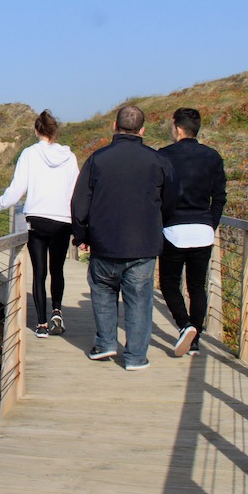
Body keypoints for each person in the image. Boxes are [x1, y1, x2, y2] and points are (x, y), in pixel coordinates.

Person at [71, 105, 177, 370]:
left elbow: (79, 201)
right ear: (142, 130)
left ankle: (106, 343)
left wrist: (81, 234)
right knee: (139, 300)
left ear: (114, 126)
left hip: (104, 242)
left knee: (103, 292)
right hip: (143, 244)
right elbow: (171, 200)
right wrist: (155, 221)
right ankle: (135, 357)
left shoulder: (97, 159)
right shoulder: (158, 161)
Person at [0, 109, 79, 339]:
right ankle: (57, 310)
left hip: (38, 219)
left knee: (39, 272)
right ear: (55, 132)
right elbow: (76, 191)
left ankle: (42, 324)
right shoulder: (70, 157)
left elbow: (17, 190)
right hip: (64, 220)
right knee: (57, 268)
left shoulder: (29, 154)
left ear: (37, 130)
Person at [158, 107, 227, 357]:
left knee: (168, 283)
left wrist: (160, 222)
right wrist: (211, 223)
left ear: (176, 127)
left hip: (173, 230)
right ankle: (195, 340)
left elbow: (157, 195)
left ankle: (185, 324)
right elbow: (219, 197)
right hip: (202, 230)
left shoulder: (164, 156)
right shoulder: (212, 156)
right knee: (197, 286)